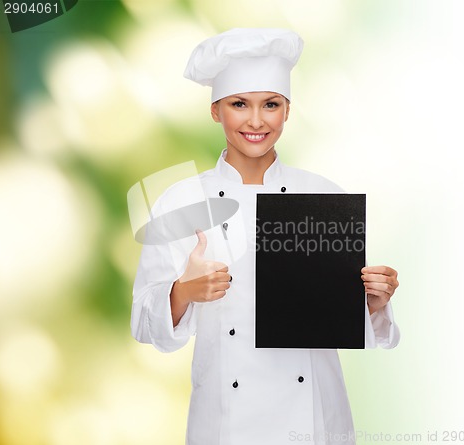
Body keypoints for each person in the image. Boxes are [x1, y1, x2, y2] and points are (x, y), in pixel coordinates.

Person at [131, 28, 400, 445]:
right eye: (240, 104)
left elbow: (349, 323)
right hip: (225, 424)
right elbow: (144, 323)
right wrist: (184, 291)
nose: (256, 121)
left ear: (287, 111)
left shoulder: (325, 196)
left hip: (314, 419)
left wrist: (373, 301)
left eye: (270, 105)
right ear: (216, 110)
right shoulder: (183, 200)